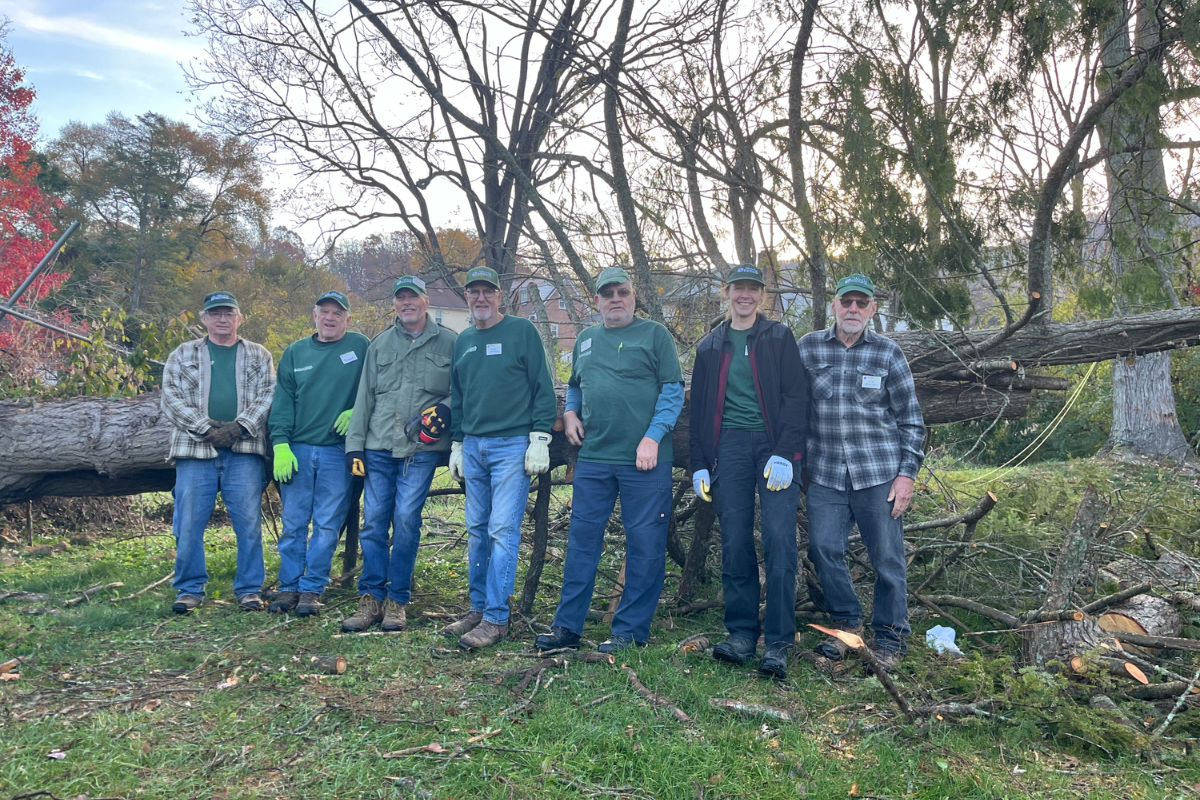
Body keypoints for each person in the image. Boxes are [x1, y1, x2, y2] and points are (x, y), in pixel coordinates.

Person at [535, 267, 683, 654]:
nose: (615, 298)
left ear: (634, 297)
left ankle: (629, 632)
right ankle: (567, 627)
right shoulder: (585, 339)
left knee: (645, 545)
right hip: (595, 458)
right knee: (582, 542)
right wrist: (569, 412)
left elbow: (672, 390)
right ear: (596, 300)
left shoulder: (655, 335)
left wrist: (653, 437)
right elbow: (575, 385)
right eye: (607, 293)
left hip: (646, 461)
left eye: (622, 291)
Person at [797, 273, 925, 671]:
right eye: (846, 301)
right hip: (825, 473)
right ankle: (846, 625)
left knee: (887, 558)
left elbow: (912, 420)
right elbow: (790, 407)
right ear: (834, 305)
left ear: (872, 309)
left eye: (861, 303)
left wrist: (907, 476)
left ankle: (890, 638)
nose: (853, 309)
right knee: (823, 548)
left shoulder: (888, 354)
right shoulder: (808, 348)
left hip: (879, 474)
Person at [687, 264, 807, 679]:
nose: (745, 296)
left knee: (778, 540)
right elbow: (700, 411)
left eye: (752, 290)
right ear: (726, 293)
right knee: (736, 541)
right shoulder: (710, 346)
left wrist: (787, 453)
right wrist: (699, 462)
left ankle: (777, 641)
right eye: (738, 288)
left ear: (761, 296)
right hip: (729, 449)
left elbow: (796, 397)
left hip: (773, 446)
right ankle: (740, 633)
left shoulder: (778, 337)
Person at [445, 266, 557, 650]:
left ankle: (496, 619)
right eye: (473, 292)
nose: (480, 298)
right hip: (474, 445)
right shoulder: (463, 341)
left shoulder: (521, 332)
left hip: (511, 445)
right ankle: (478, 608)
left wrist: (540, 438)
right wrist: (457, 442)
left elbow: (542, 386)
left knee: (501, 530)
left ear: (500, 296)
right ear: (467, 297)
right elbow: (458, 396)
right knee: (476, 529)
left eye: (487, 292)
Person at [340, 276, 457, 633]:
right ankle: (371, 598)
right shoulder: (380, 345)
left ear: (425, 301)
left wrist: (447, 410)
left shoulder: (451, 342)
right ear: (395, 303)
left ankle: (398, 600)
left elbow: (464, 391)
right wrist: (354, 445)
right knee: (374, 522)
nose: (407, 303)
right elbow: (364, 398)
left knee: (406, 520)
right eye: (400, 298)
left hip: (420, 450)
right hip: (377, 447)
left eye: (413, 297)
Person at [161, 291, 275, 613]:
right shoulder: (182, 354)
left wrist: (239, 427)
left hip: (244, 450)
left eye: (228, 313)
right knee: (188, 523)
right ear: (204, 319)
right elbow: (171, 398)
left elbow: (269, 394)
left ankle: (250, 589)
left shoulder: (258, 354)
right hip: (195, 451)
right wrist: (206, 429)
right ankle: (189, 589)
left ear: (239, 318)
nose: (222, 318)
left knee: (248, 523)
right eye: (215, 313)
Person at [267, 291, 370, 617]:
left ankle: (312, 588)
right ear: (314, 315)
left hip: (336, 452)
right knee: (294, 522)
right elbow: (283, 402)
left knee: (326, 524)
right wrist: (280, 445)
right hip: (297, 449)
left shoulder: (360, 347)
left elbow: (376, 386)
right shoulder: (296, 352)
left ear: (347, 319)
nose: (330, 317)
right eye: (324, 312)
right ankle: (288, 586)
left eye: (337, 313)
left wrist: (356, 411)